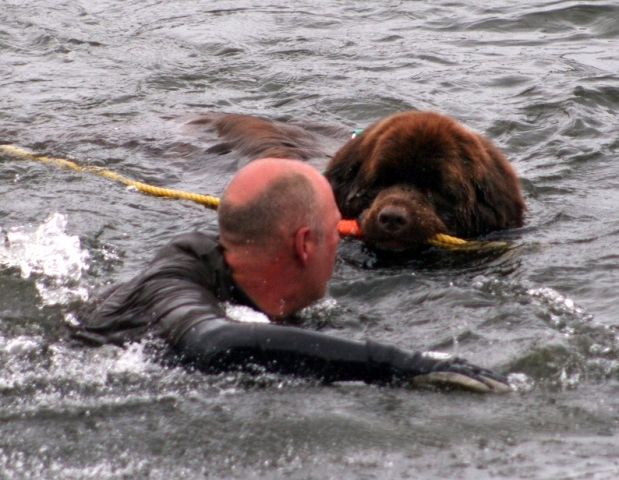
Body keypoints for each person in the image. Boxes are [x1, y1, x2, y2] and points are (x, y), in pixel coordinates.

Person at [75, 158, 510, 393]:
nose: (341, 241)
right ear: (305, 244)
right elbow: (211, 343)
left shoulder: (261, 291)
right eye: (334, 229)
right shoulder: (176, 281)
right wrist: (404, 366)